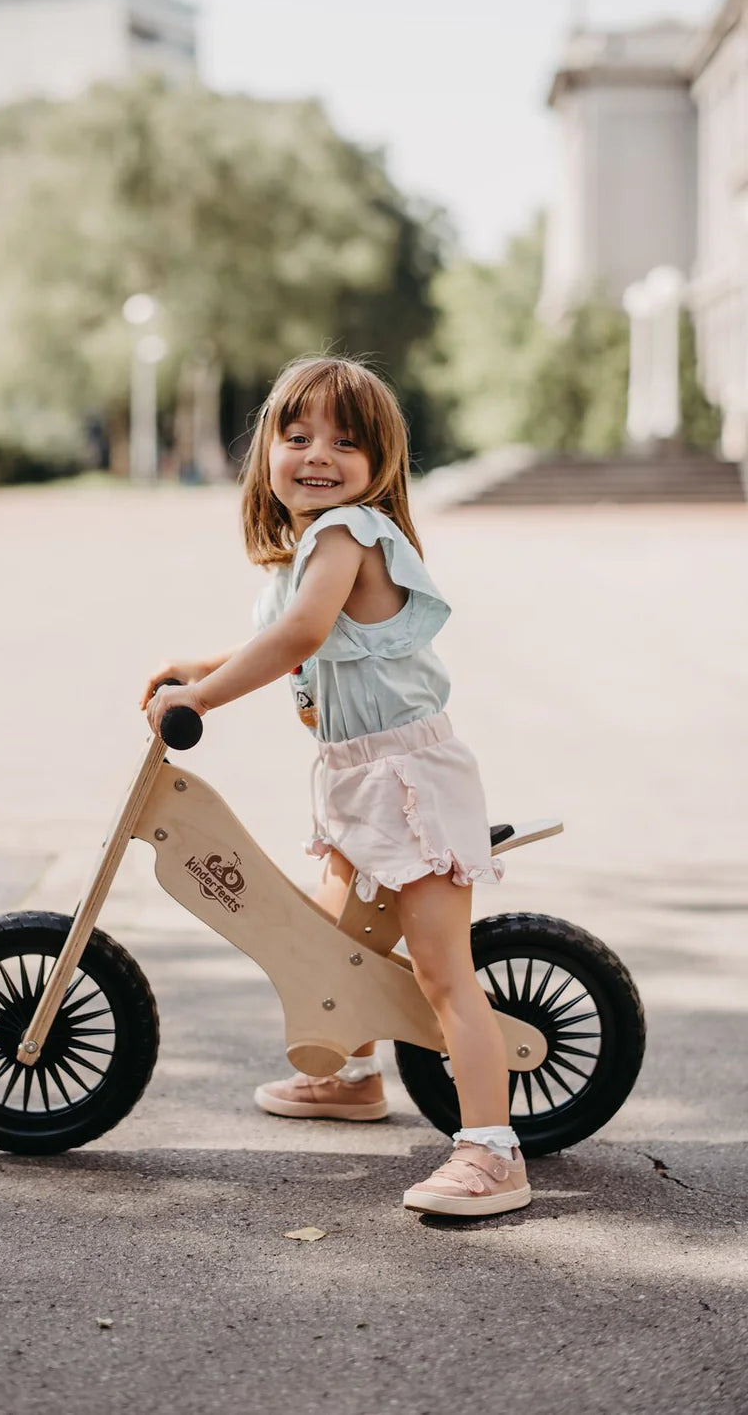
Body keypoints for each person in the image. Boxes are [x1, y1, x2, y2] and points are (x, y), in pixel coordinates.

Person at [141, 356, 530, 1217]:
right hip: (357, 778)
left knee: (440, 971)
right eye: (298, 434)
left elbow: (302, 636)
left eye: (345, 442)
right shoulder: (301, 554)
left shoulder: (347, 534)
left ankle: (493, 1152)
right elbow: (294, 633)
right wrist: (197, 665)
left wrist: (201, 698)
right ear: (267, 450)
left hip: (409, 777)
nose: (319, 454)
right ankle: (353, 1074)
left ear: (379, 464)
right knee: (331, 938)